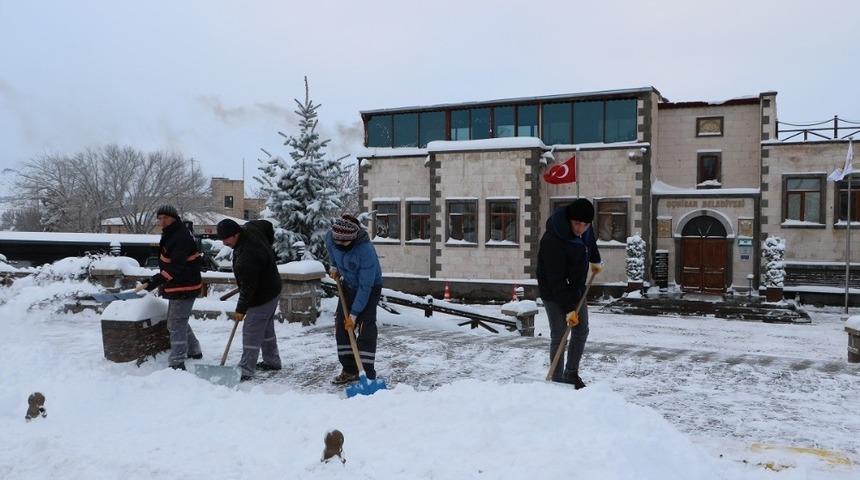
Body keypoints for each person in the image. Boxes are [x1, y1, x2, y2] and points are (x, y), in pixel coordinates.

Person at [536, 198, 603, 389]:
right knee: (559, 335)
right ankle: (557, 381)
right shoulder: (552, 240)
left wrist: (595, 260)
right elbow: (556, 281)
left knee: (581, 330)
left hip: (576, 287)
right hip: (553, 289)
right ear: (569, 220)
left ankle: (571, 374)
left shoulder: (586, 229)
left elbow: (590, 241)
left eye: (585, 224)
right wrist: (568, 310)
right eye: (577, 223)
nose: (581, 229)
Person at [135, 205, 203, 370]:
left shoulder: (179, 237)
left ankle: (177, 361)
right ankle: (194, 350)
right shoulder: (172, 233)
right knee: (178, 320)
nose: (162, 221)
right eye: (159, 218)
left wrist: (154, 281)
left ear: (174, 218)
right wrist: (155, 280)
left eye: (165, 217)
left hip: (184, 286)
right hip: (179, 285)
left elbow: (176, 267)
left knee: (176, 324)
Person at [216, 218, 283, 381]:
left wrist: (240, 309)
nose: (224, 243)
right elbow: (266, 225)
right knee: (265, 328)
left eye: (226, 239)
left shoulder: (248, 255)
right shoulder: (250, 228)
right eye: (222, 239)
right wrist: (268, 249)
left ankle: (246, 369)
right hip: (272, 287)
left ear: (236, 233)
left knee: (251, 331)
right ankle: (272, 361)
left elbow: (248, 289)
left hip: (262, 294)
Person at [324, 214, 383, 384]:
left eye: (344, 243)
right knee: (342, 326)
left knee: (365, 327)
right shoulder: (332, 237)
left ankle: (366, 372)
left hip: (369, 288)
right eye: (337, 242)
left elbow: (365, 287)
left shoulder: (366, 251)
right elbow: (331, 249)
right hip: (348, 285)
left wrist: (355, 315)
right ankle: (349, 370)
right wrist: (334, 266)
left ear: (353, 238)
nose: (339, 245)